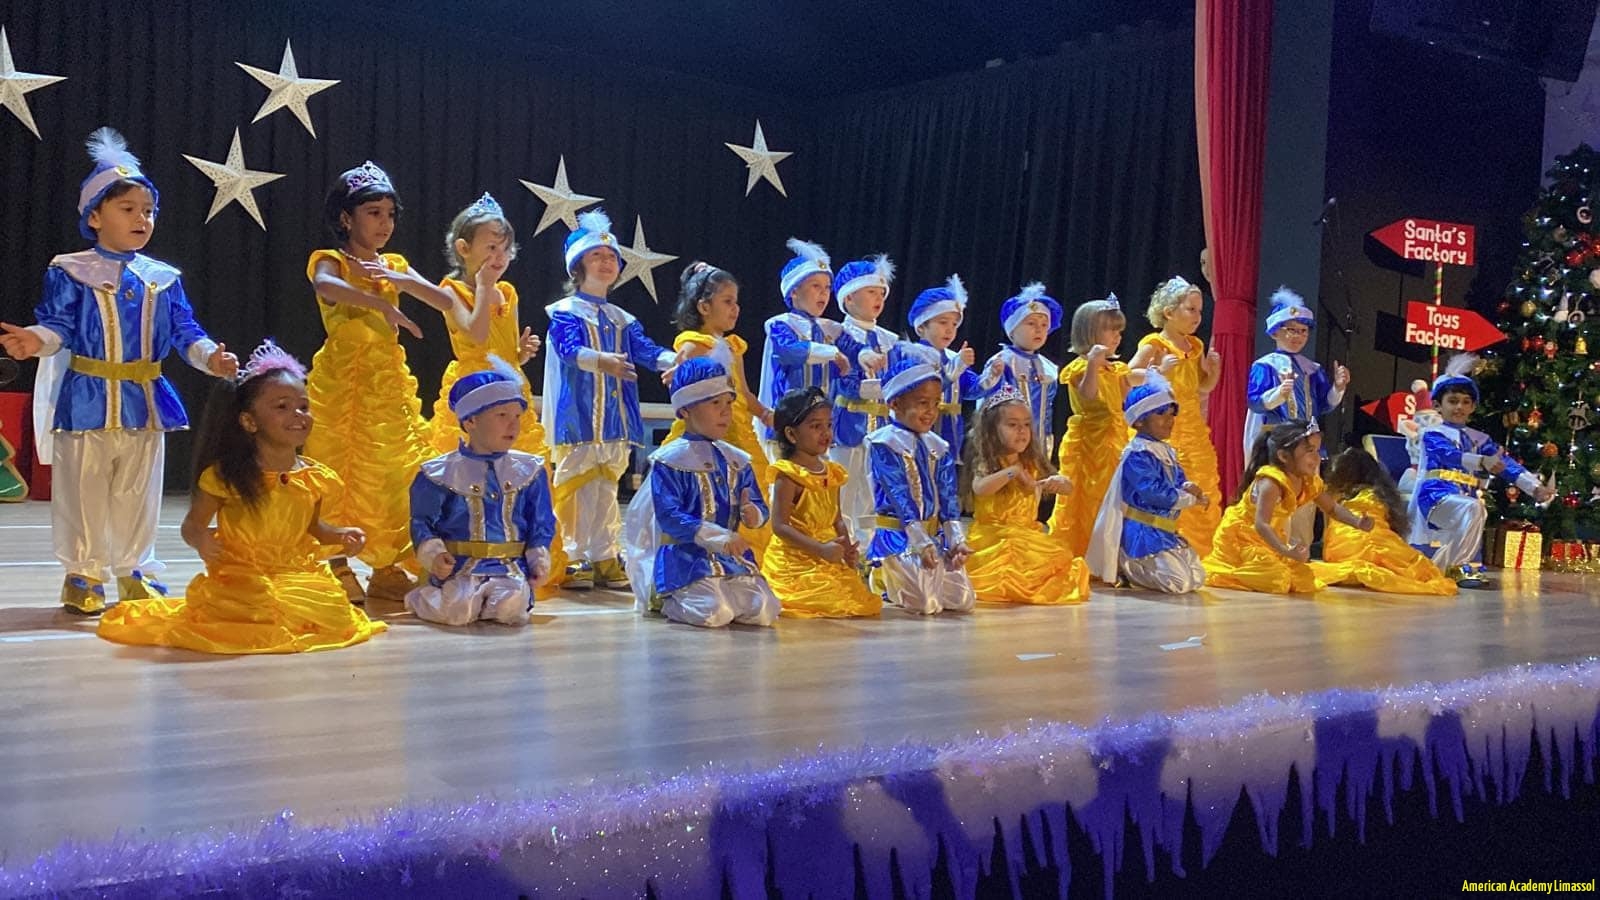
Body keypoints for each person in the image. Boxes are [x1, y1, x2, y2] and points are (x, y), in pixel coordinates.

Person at [0, 127, 238, 614]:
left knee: (138, 491)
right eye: (127, 209)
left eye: (148, 211)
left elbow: (185, 331)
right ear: (94, 216)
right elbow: (59, 325)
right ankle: (83, 574)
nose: (141, 219)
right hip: (88, 397)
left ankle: (134, 570)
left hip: (145, 401)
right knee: (83, 491)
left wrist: (210, 357)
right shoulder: (70, 270)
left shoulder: (162, 278)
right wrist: (35, 339)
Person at [96, 341, 385, 652]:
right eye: (282, 407)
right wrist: (202, 541)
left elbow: (313, 528)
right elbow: (193, 526)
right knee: (258, 607)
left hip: (296, 572)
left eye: (304, 406)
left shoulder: (315, 478)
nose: (298, 415)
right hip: (243, 574)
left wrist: (340, 535)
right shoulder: (227, 476)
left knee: (328, 610)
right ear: (249, 421)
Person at [303, 161, 467, 603]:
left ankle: (385, 564)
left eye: (390, 214)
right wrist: (381, 305)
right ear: (346, 217)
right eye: (373, 213)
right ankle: (336, 563)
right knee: (338, 468)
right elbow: (326, 287)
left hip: (386, 383)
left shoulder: (393, 264)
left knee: (395, 472)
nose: (384, 223)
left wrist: (403, 281)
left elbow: (444, 300)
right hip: (343, 383)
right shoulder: (332, 260)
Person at [542, 209, 681, 590]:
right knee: (575, 486)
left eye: (611, 257)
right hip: (579, 416)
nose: (606, 262)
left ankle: (603, 552)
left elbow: (646, 350)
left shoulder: (623, 319)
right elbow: (568, 350)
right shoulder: (566, 312)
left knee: (606, 487)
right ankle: (573, 554)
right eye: (596, 256)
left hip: (616, 418)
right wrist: (602, 360)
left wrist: (674, 359)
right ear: (577, 265)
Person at [621, 358, 780, 627]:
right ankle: (667, 599)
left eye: (728, 403)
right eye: (715, 403)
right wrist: (718, 536)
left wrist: (753, 513)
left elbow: (757, 504)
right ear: (685, 410)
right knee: (714, 613)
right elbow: (669, 516)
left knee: (764, 610)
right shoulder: (670, 461)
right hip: (686, 559)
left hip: (730, 559)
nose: (726, 412)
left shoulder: (736, 460)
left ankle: (725, 592)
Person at [407, 359, 556, 625]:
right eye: (502, 416)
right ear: (471, 421)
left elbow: (540, 521)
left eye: (517, 416)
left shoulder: (529, 470)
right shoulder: (439, 473)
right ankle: (422, 598)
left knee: (510, 610)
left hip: (509, 568)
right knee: (459, 612)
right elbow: (422, 521)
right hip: (460, 568)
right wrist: (435, 554)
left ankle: (491, 601)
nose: (513, 425)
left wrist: (538, 558)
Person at [1408, 354, 1553, 586]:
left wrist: (1534, 487)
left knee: (1476, 508)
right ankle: (1460, 568)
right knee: (1473, 507)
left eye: (1466, 402)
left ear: (1473, 407)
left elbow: (1505, 463)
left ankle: (1454, 566)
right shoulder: (1432, 433)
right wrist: (1481, 461)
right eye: (1453, 401)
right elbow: (1448, 454)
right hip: (1435, 496)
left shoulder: (1479, 438)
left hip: (1464, 498)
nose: (1459, 407)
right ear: (1437, 405)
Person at [663, 262, 772, 557]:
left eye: (736, 302)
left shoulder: (734, 347)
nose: (735, 308)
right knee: (706, 494)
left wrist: (766, 415)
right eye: (727, 301)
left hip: (740, 435)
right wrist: (678, 372)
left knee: (750, 493)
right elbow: (681, 370)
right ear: (704, 307)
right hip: (708, 434)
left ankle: (746, 559)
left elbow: (744, 393)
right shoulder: (694, 344)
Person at [1204, 421, 1373, 594]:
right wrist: (1285, 550)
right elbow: (1262, 524)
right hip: (1241, 540)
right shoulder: (1271, 483)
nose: (1316, 458)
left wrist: (1357, 522)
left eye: (1317, 450)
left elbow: (1332, 509)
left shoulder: (1308, 481)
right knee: (1278, 579)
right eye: (1309, 451)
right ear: (1284, 456)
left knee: (1303, 578)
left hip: (1270, 541)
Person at [865, 355, 975, 614]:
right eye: (923, 403)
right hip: (901, 536)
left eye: (936, 403)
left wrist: (955, 541)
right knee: (927, 605)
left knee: (963, 600)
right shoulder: (885, 443)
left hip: (933, 537)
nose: (931, 412)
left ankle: (917, 571)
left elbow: (948, 496)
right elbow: (899, 496)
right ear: (895, 403)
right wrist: (920, 542)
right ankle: (883, 577)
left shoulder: (938, 446)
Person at [964, 385, 1090, 604]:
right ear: (992, 430)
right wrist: (1012, 472)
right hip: (996, 537)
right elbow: (981, 488)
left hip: (1026, 534)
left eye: (1026, 425)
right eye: (1012, 425)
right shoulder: (989, 463)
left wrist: (1060, 482)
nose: (1021, 431)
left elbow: (1067, 488)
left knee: (1057, 564)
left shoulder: (1031, 463)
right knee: (1008, 568)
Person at [761, 387, 880, 617]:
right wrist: (820, 549)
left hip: (827, 554)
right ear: (791, 434)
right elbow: (780, 526)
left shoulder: (832, 472)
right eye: (816, 426)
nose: (825, 433)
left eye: (829, 425)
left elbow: (837, 518)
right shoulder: (789, 475)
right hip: (796, 559)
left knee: (853, 597)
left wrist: (846, 548)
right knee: (823, 598)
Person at [1085, 371, 1209, 593]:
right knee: (1179, 584)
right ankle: (1128, 566)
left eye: (1171, 415)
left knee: (1198, 578)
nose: (1170, 421)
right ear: (1140, 420)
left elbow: (1178, 480)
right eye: (1161, 415)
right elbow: (1153, 492)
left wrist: (1190, 488)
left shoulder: (1165, 451)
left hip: (1165, 530)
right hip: (1144, 533)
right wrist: (1190, 499)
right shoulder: (1138, 454)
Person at [1128, 276, 1222, 555]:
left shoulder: (1195, 346)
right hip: (1162, 424)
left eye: (1200, 311)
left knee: (1200, 479)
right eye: (1190, 309)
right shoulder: (1155, 344)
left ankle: (1200, 546)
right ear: (1169, 312)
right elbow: (1129, 375)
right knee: (1167, 480)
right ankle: (1166, 542)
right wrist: (1159, 372)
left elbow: (1201, 387)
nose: (1197, 316)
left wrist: (1214, 373)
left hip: (1192, 426)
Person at [1047, 294, 1140, 557]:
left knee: (1116, 492)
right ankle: (1085, 548)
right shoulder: (1079, 367)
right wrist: (1092, 365)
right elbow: (1088, 395)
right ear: (1089, 332)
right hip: (1090, 440)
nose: (1117, 336)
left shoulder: (1116, 369)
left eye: (1119, 331)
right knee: (1089, 493)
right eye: (1110, 330)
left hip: (1116, 436)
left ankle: (1112, 551)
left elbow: (1122, 399)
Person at [757, 238, 861, 460]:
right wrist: (832, 353)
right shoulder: (780, 324)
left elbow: (854, 349)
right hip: (787, 423)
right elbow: (789, 351)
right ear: (794, 291)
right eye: (816, 286)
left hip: (819, 425)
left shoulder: (830, 328)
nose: (824, 293)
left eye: (827, 288)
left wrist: (867, 355)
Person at [1310, 448, 1456, 595]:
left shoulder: (1331, 493)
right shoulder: (1380, 494)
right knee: (1419, 568)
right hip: (1376, 544)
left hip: (1341, 551)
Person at [829, 254, 898, 543]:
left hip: (880, 425)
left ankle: (867, 545)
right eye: (871, 292)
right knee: (844, 485)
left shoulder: (890, 340)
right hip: (848, 422)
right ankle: (843, 543)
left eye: (881, 293)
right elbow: (843, 381)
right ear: (848, 298)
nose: (878, 298)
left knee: (871, 487)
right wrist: (880, 387)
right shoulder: (839, 334)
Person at [976, 282, 1065, 455]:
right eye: (1031, 323)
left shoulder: (1048, 368)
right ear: (1012, 330)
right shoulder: (1003, 363)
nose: (1039, 329)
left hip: (1039, 444)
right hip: (1006, 446)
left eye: (1044, 325)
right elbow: (987, 407)